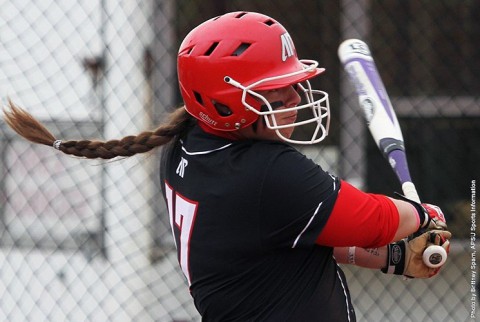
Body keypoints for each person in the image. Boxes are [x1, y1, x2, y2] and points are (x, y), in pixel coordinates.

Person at [3, 11, 451, 322]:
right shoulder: (270, 174)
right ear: (224, 104)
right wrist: (424, 215)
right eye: (276, 90)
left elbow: (290, 237)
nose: (295, 98)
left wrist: (394, 257)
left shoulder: (187, 150)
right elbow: (375, 220)